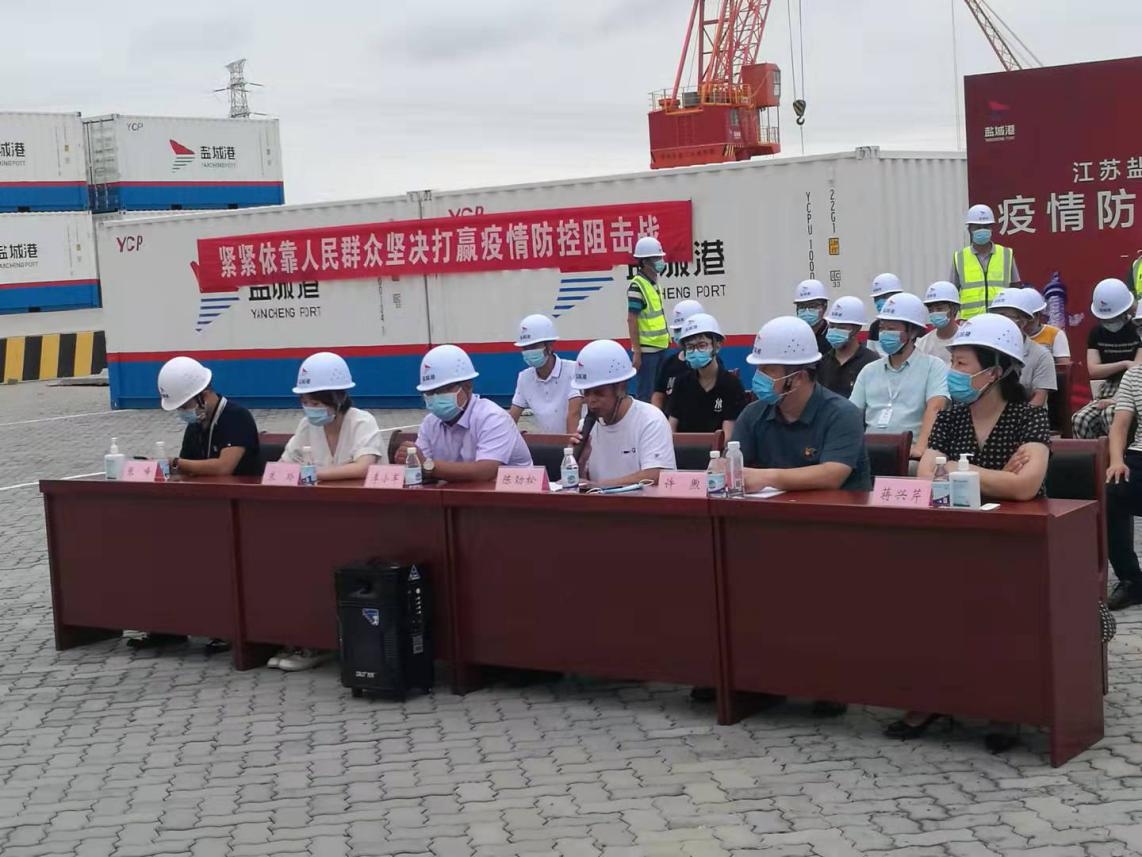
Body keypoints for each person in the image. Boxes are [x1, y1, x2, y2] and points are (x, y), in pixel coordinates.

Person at [891, 315, 1050, 752]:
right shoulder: (950, 417)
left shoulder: (1028, 417)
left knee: (1003, 604)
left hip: (1014, 542)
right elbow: (927, 476)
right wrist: (991, 475)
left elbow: (1025, 486)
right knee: (922, 599)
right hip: (954, 536)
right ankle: (931, 697)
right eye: (952, 363)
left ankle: (1004, 706)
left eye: (961, 364)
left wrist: (957, 471)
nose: (953, 373)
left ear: (994, 372)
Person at [130, 356, 261, 654]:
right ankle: (168, 624)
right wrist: (162, 469)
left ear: (203, 395)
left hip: (239, 511)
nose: (183, 412)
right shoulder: (196, 426)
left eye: (185, 405)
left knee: (210, 554)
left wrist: (176, 463)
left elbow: (224, 467)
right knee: (157, 546)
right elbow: (187, 471)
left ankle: (226, 627)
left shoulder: (236, 417)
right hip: (203, 508)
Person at [735, 316, 871, 493]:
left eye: (768, 370)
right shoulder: (753, 413)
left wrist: (767, 478)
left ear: (799, 377)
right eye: (758, 369)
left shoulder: (842, 414)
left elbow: (832, 475)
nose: (758, 377)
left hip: (834, 509)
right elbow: (730, 463)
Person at [396, 344, 532, 480]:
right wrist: (409, 460)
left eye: (444, 390)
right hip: (461, 491)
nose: (436, 397)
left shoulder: (493, 417)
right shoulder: (430, 423)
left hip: (516, 491)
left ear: (468, 386)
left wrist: (427, 465)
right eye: (430, 393)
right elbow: (420, 465)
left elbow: (485, 471)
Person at [849, 293, 948, 459]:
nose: (884, 334)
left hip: (909, 454)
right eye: (882, 328)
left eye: (892, 329)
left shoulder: (933, 366)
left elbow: (936, 407)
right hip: (869, 452)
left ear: (913, 332)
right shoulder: (869, 370)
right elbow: (851, 413)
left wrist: (919, 450)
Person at [571, 339, 676, 486]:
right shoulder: (586, 426)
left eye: (599, 393)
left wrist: (601, 486)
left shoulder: (650, 420)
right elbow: (584, 483)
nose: (591, 400)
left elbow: (656, 475)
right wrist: (580, 462)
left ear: (620, 388)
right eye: (586, 393)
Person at [282, 352, 384, 480]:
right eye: (305, 402)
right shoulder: (306, 425)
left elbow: (363, 467)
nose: (309, 409)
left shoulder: (362, 422)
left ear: (339, 399)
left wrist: (310, 473)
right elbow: (284, 464)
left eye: (315, 403)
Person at [1072, 278, 1142, 439]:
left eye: (1114, 318)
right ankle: (1092, 456)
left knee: (1110, 414)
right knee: (1079, 420)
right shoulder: (1096, 333)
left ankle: (1119, 453)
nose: (1110, 323)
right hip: (1107, 388)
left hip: (1133, 388)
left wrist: (1117, 399)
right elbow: (1094, 370)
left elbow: (1137, 369)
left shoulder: (1137, 330)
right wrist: (1124, 364)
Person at [666, 313, 747, 435]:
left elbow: (727, 437)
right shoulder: (681, 383)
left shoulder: (732, 385)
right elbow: (671, 429)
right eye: (690, 347)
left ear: (717, 345)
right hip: (682, 447)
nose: (695, 351)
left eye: (702, 345)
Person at [508, 314, 582, 434]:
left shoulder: (573, 370)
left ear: (550, 346)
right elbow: (511, 418)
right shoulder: (524, 378)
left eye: (533, 346)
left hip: (578, 441)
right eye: (525, 348)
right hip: (549, 442)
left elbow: (574, 413)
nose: (529, 352)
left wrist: (570, 444)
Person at [1106, 363, 1142, 610]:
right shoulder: (1134, 375)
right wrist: (1116, 461)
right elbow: (1119, 426)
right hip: (1139, 454)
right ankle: (1131, 581)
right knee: (1113, 491)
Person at [986, 289, 1057, 408]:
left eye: (1003, 316)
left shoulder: (1041, 355)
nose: (997, 321)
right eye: (995, 316)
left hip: (1028, 416)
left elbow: (1039, 399)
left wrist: (1015, 416)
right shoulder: (984, 350)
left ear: (1022, 321)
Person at [951, 204, 1020, 319]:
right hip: (970, 321)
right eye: (977, 227)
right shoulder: (960, 257)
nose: (982, 230)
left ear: (991, 229)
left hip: (1001, 319)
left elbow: (1016, 289)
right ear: (969, 229)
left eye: (986, 226)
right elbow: (952, 294)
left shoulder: (1006, 254)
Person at [626, 236, 671, 402]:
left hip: (661, 346)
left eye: (660, 257)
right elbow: (632, 320)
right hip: (647, 352)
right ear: (645, 262)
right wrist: (637, 352)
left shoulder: (653, 283)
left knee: (662, 392)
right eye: (656, 258)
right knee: (646, 394)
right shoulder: (637, 286)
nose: (661, 261)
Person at [816, 295, 878, 398]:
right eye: (832, 326)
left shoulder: (871, 363)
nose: (835, 330)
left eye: (841, 327)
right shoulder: (822, 363)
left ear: (857, 328)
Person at [652, 299, 706, 411]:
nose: (679, 335)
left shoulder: (709, 363)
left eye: (682, 329)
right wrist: (656, 415)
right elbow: (658, 394)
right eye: (677, 330)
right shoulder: (669, 363)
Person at [915, 281, 962, 366]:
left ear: (954, 309)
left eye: (939, 309)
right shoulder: (922, 345)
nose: (934, 313)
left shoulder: (966, 340)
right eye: (930, 310)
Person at [1022, 286, 1071, 362]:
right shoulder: (1012, 334)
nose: (1025, 322)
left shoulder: (1055, 334)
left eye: (1028, 317)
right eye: (1019, 317)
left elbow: (1063, 366)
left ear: (1038, 315)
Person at [867, 273, 904, 356]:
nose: (879, 302)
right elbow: (870, 354)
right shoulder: (875, 326)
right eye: (876, 298)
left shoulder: (911, 323)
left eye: (884, 297)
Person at [793, 279, 832, 357]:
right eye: (802, 306)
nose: (807, 310)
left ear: (824, 307)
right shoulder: (793, 337)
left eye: (812, 306)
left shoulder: (832, 337)